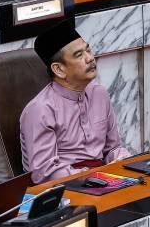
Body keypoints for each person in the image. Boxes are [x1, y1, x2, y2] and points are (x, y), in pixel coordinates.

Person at [21, 19, 130, 184]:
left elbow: (112, 149)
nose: (90, 58)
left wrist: (122, 158)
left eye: (88, 50)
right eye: (79, 55)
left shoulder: (99, 94)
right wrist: (86, 175)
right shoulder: (40, 109)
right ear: (59, 69)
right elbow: (43, 173)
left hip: (102, 180)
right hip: (65, 188)